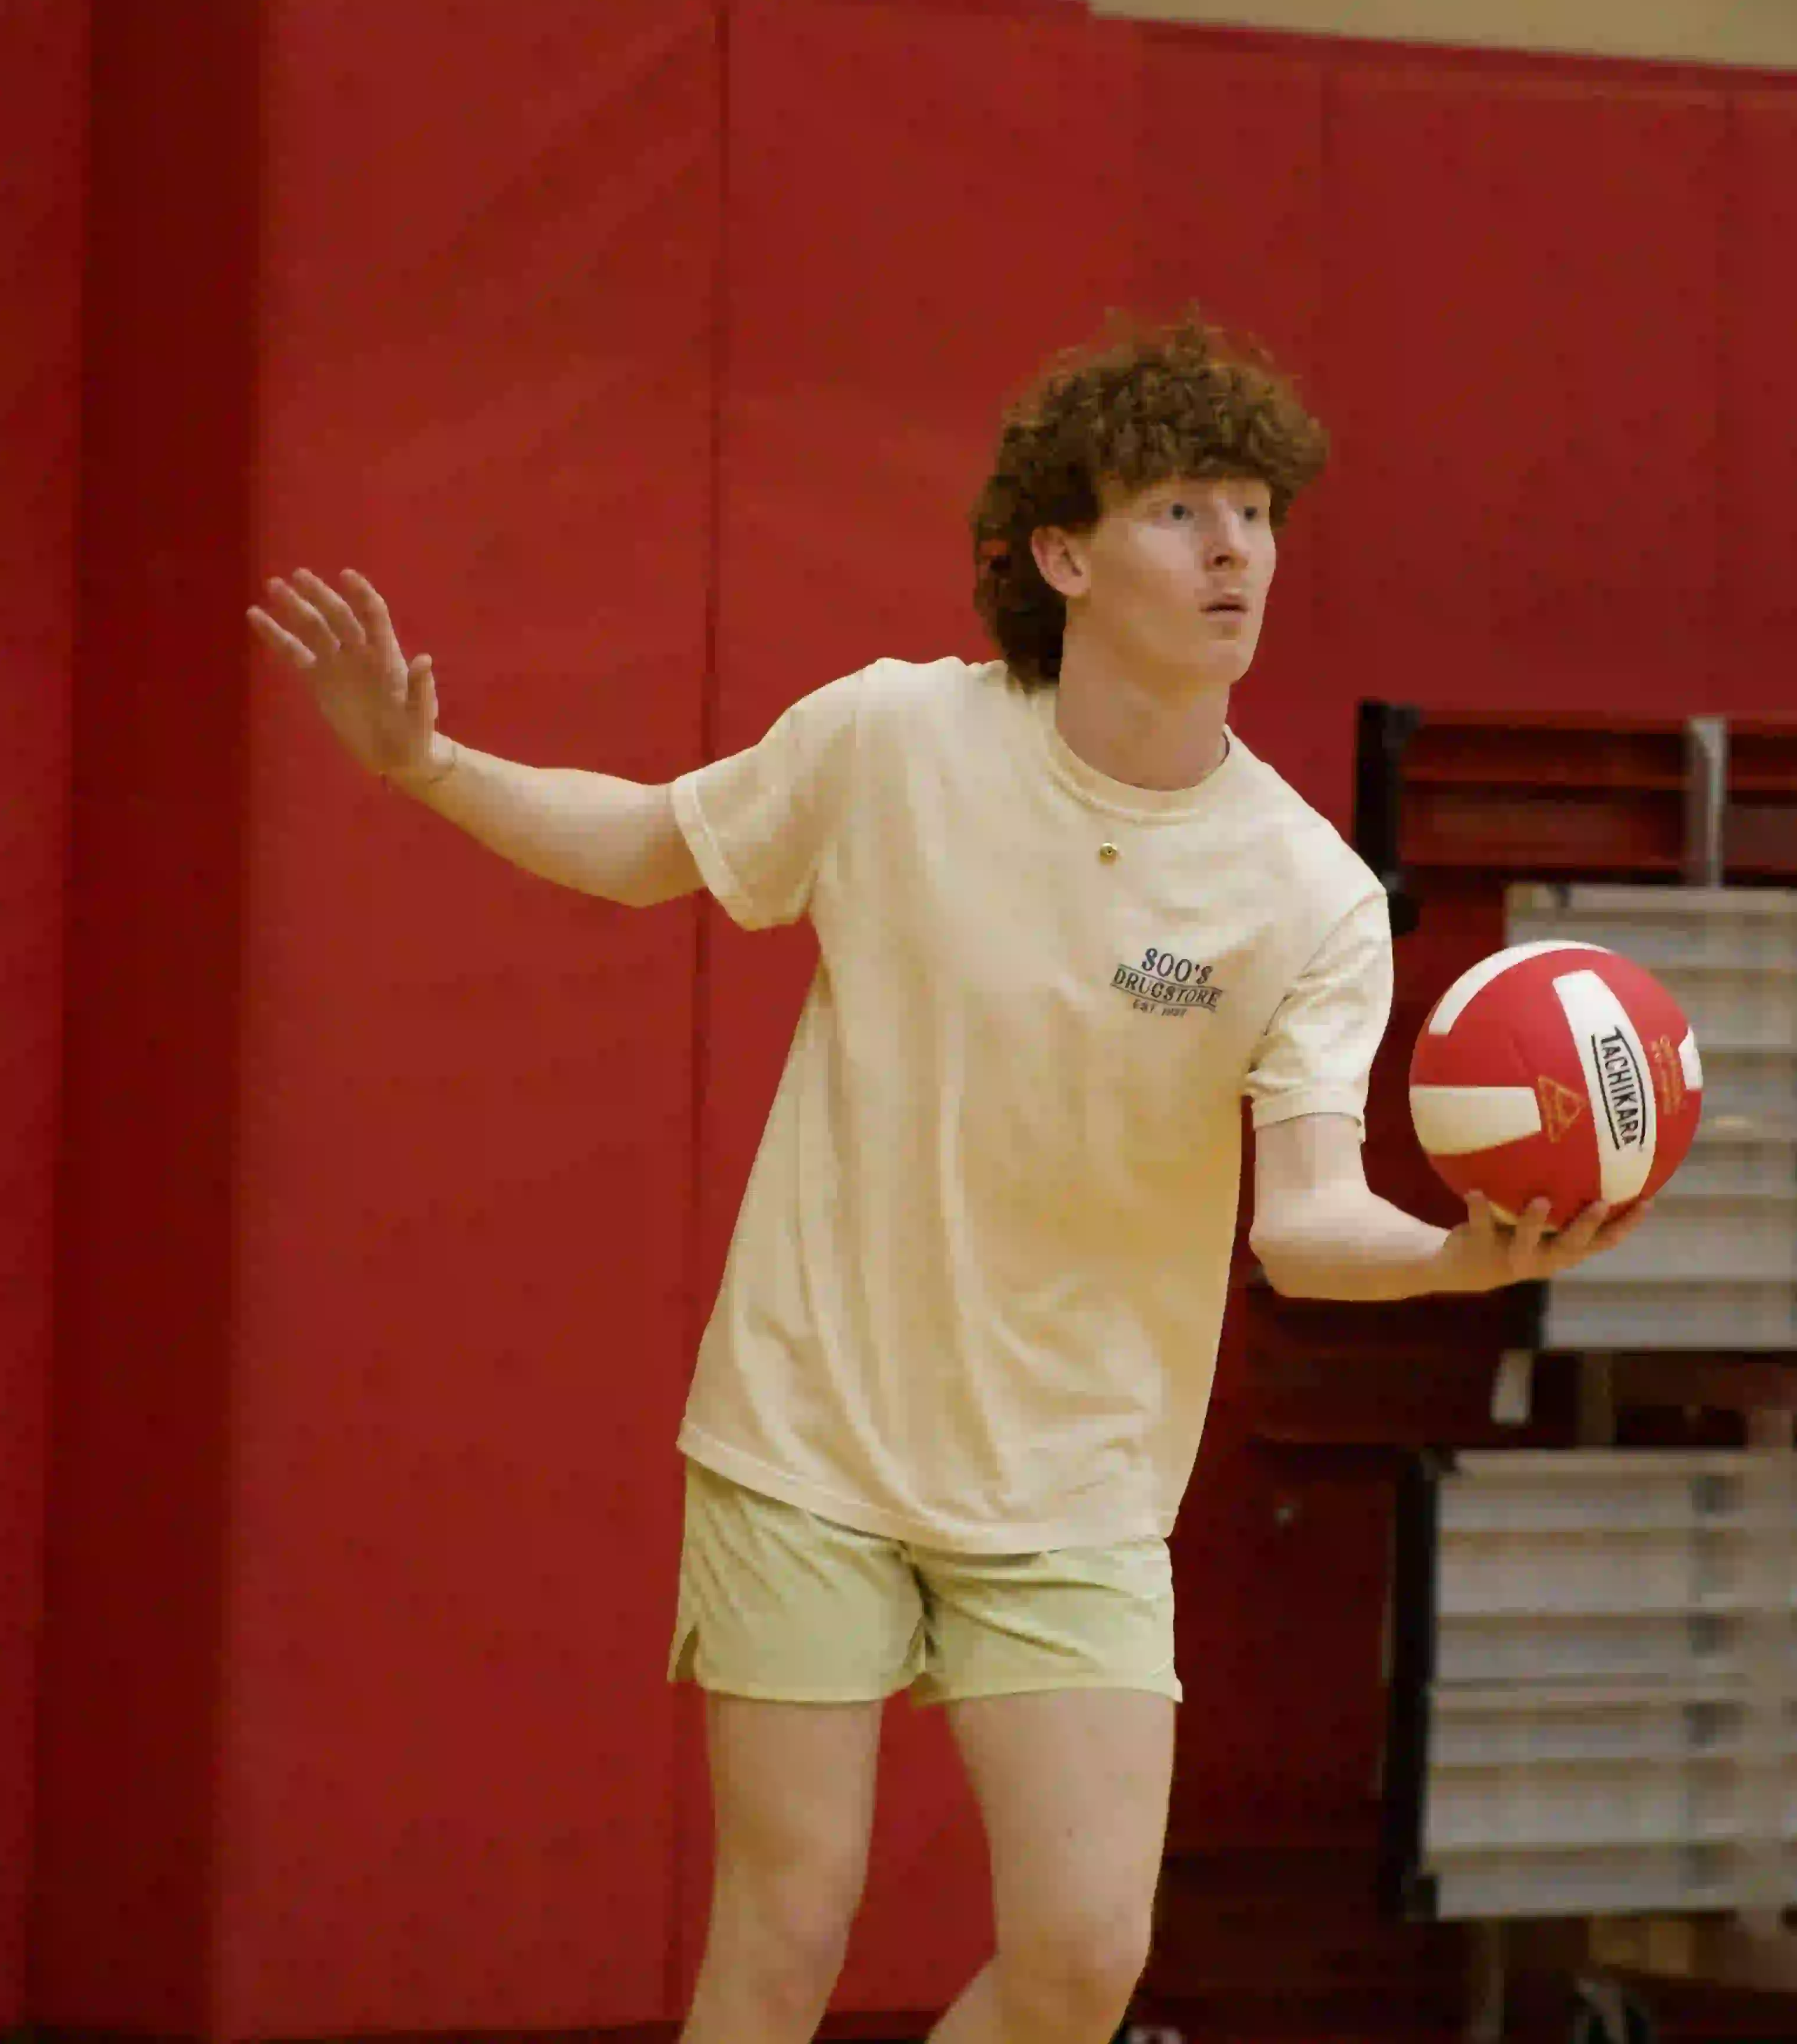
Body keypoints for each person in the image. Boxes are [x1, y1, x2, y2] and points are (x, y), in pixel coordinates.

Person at [244, 316, 1637, 2044]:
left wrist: (1450, 1261)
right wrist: (424, 766)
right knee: (787, 1927)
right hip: (812, 1428)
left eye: (1256, 511)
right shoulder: (893, 740)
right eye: (1180, 510)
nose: (1234, 550)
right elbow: (651, 844)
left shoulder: (1311, 894)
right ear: (1064, 556)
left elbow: (1304, 1221)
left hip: (1077, 1476)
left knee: (1084, 1957)